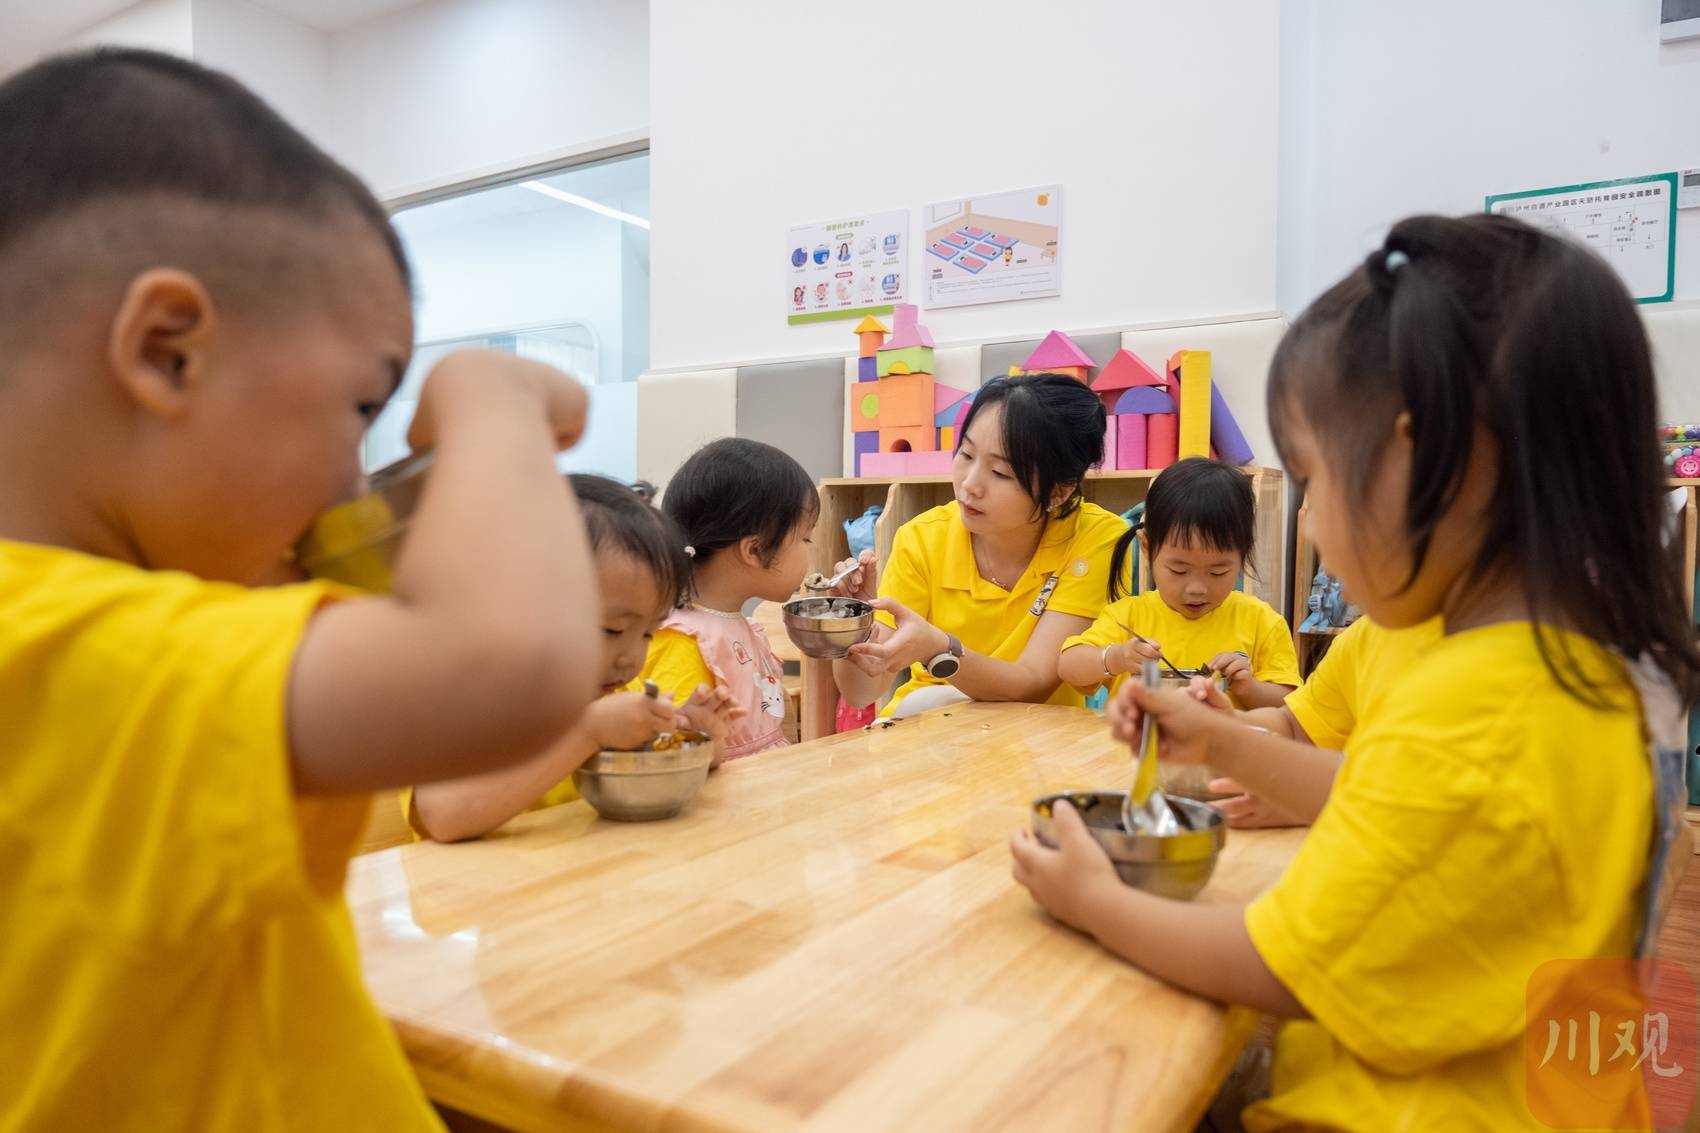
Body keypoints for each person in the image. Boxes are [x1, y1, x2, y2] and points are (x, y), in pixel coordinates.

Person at [0, 50, 607, 1128]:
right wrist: (491, 395)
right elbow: (507, 661)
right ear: (167, 353)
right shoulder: (61, 640)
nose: (350, 484)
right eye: (361, 407)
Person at [1012, 214, 1700, 1130]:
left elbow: (1280, 964)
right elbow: (1396, 795)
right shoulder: (1558, 662)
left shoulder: (1484, 707)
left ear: (1421, 457)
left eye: (1315, 479)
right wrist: (1224, 740)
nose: (1314, 529)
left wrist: (1095, 900)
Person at [410, 475, 734, 841]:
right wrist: (588, 732)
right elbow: (445, 815)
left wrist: (698, 739)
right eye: (612, 630)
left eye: (648, 633)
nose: (631, 658)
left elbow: (653, 775)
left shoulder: (611, 693)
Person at [830, 374, 1127, 717]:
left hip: (1035, 737)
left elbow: (1033, 683)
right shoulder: (922, 539)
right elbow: (861, 692)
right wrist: (852, 624)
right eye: (966, 454)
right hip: (930, 727)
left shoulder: (1096, 538)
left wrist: (940, 649)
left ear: (1058, 492)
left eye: (1000, 473)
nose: (969, 484)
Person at [1056, 457, 1298, 709]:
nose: (1197, 589)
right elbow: (1068, 666)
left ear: (1243, 554)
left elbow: (1289, 706)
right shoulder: (1128, 616)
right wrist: (1116, 657)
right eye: (1179, 570)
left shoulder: (1261, 621)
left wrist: (1248, 687)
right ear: (1147, 547)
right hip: (1139, 735)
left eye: (1218, 572)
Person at [636, 439, 817, 760]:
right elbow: (669, 757)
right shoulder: (688, 641)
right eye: (806, 538)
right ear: (755, 550)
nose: (809, 551)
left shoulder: (741, 627)